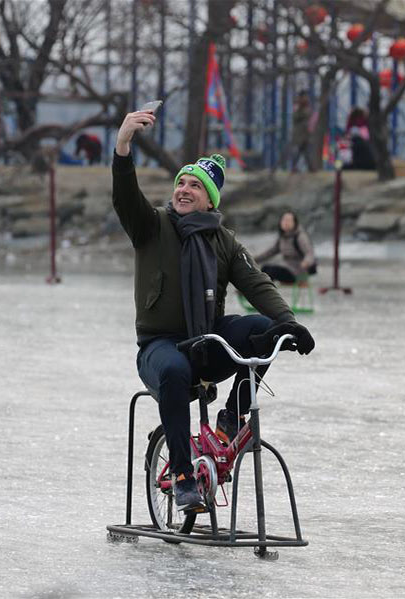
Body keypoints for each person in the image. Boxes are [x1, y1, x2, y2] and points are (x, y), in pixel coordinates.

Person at [112, 109, 315, 512]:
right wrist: (122, 147)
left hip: (205, 341)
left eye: (194, 186)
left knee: (265, 330)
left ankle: (230, 418)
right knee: (172, 370)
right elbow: (124, 198)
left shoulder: (223, 241)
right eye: (180, 184)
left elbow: (256, 282)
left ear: (209, 199)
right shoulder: (152, 225)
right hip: (161, 345)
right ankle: (184, 477)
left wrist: (289, 323)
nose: (184, 190)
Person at [254, 211, 316, 283]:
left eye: (289, 220)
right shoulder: (283, 236)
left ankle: (258, 290)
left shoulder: (300, 236)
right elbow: (270, 252)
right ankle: (257, 289)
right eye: (284, 220)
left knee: (271, 271)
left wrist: (306, 262)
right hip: (286, 268)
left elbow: (309, 253)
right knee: (265, 268)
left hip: (298, 272)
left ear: (295, 223)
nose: (286, 223)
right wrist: (254, 259)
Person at [289, 91, 313, 172]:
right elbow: (295, 117)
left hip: (305, 132)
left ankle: (309, 167)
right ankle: (295, 167)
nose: (306, 98)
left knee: (304, 150)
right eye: (305, 96)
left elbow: (309, 115)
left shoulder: (306, 106)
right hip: (299, 133)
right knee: (300, 150)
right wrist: (303, 113)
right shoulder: (297, 106)